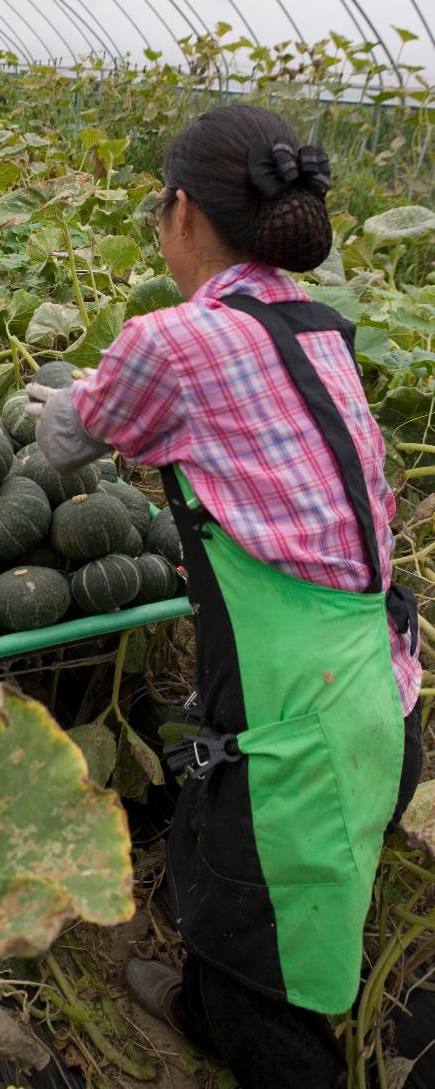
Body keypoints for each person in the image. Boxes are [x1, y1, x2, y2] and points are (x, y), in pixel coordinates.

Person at [28, 105, 422, 1089]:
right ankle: (203, 997)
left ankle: (243, 1027)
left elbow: (73, 439)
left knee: (274, 1006)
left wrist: (48, 403)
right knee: (256, 876)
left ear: (179, 213)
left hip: (299, 720)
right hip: (378, 681)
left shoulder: (171, 340)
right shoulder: (318, 326)